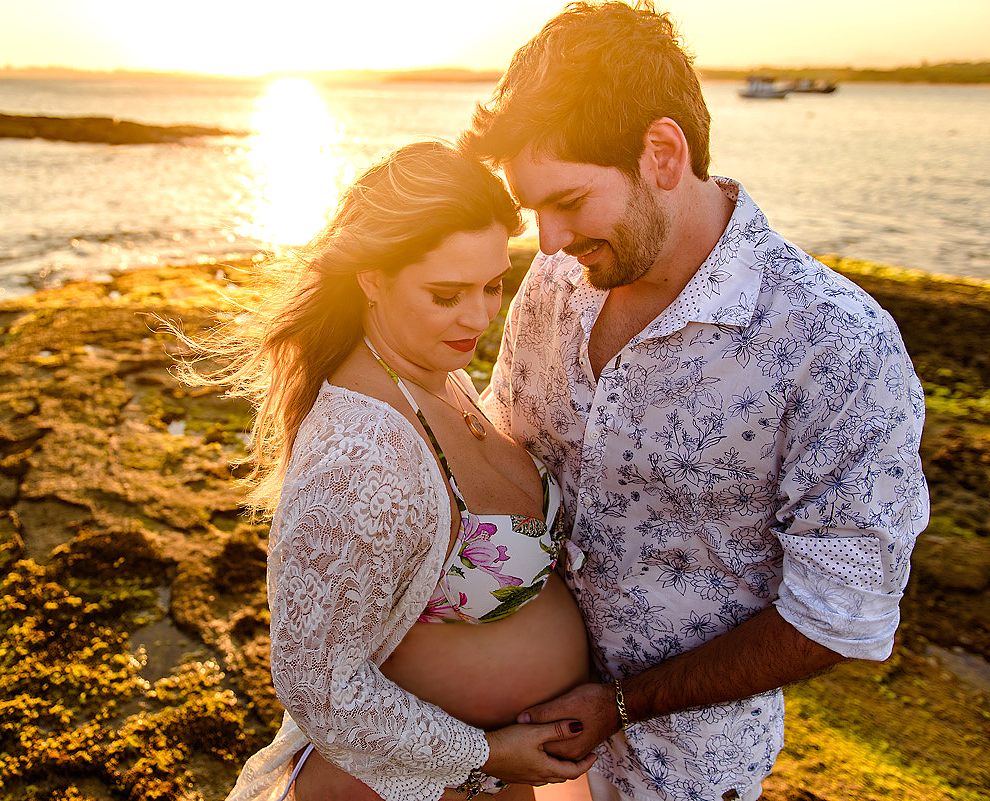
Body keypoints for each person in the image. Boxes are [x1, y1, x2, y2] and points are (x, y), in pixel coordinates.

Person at [458, 3, 930, 800]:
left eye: (569, 201)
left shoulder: (835, 342)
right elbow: (504, 455)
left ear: (664, 152)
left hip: (678, 771)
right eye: (534, 209)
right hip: (509, 732)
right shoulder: (553, 283)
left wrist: (617, 704)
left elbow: (840, 609)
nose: (545, 240)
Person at [189, 141, 600, 801]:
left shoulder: (436, 373)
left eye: (493, 283)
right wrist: (486, 753)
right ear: (372, 277)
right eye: (446, 293)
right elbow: (318, 685)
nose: (478, 316)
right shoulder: (357, 452)